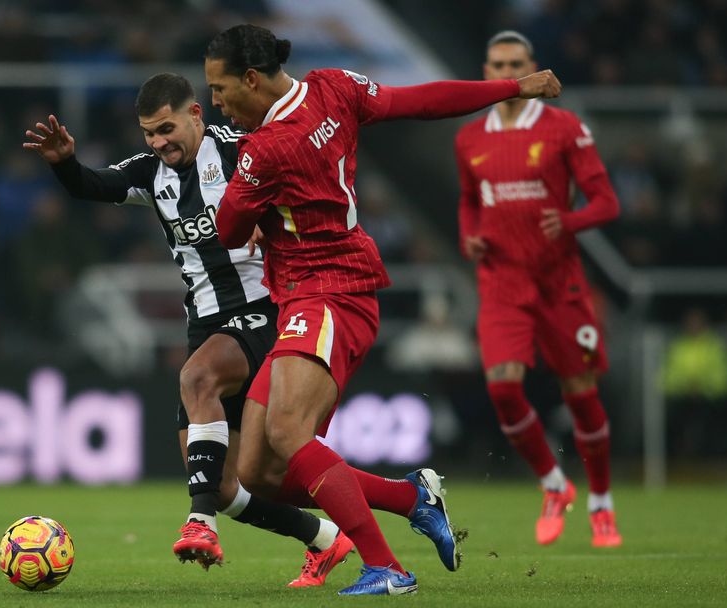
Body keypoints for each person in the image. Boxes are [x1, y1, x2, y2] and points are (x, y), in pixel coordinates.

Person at [205, 24, 561, 595]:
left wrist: (246, 200)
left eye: (220, 89)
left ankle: (387, 568)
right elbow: (418, 101)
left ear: (251, 79)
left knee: (289, 432)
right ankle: (410, 497)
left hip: (328, 293)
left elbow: (227, 230)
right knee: (258, 471)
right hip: (318, 293)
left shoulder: (265, 150)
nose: (216, 102)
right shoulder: (334, 87)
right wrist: (510, 87)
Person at [22, 72, 355, 588]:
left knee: (196, 380)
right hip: (206, 322)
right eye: (148, 134)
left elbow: (306, 174)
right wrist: (65, 162)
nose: (158, 143)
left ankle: (199, 524)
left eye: (166, 129)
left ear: (196, 114)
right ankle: (327, 537)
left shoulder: (243, 150)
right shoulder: (149, 173)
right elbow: (94, 186)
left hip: (268, 310)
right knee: (224, 486)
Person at [453, 31, 622, 548]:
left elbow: (607, 203)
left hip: (559, 282)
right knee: (503, 388)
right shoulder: (469, 139)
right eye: (499, 64)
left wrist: (567, 222)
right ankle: (553, 483)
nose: (508, 72)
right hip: (502, 282)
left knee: (580, 393)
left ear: (532, 68)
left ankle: (601, 503)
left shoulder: (564, 128)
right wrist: (469, 238)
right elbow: (468, 201)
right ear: (487, 71)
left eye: (517, 63)